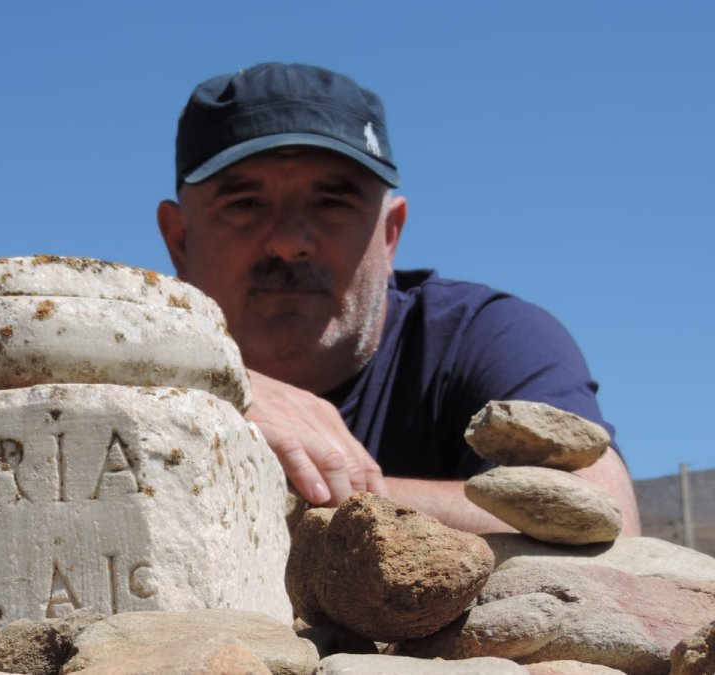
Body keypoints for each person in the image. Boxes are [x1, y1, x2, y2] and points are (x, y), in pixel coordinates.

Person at [156, 62, 640, 534]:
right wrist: (220, 396)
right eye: (244, 204)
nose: (289, 241)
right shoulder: (125, 355)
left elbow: (601, 516)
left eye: (332, 203)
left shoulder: (484, 336)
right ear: (179, 239)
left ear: (390, 235)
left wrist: (317, 496)